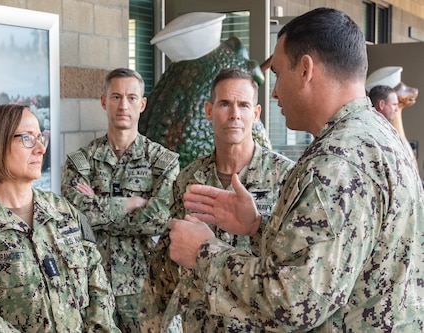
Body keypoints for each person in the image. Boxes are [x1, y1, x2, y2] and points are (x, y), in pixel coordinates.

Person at [166, 7, 424, 331]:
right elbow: (336, 261)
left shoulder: (336, 164)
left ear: (305, 70)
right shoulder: (380, 136)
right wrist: (258, 227)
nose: (274, 92)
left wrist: (203, 252)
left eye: (276, 74)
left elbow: (293, 302)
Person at [0, 104, 119, 332]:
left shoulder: (63, 211)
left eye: (40, 137)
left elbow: (97, 282)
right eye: (27, 138)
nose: (41, 148)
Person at [139, 68, 294, 332]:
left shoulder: (286, 178)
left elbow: (293, 264)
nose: (234, 114)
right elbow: (165, 264)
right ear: (209, 110)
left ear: (255, 114)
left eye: (243, 105)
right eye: (225, 104)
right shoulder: (188, 179)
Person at [61, 68, 180, 332]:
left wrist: (99, 206)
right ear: (104, 101)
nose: (123, 105)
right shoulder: (81, 162)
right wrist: (131, 203)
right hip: (92, 287)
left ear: (142, 104)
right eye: (115, 97)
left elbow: (160, 219)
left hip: (147, 289)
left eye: (131, 97)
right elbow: (75, 218)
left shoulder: (162, 162)